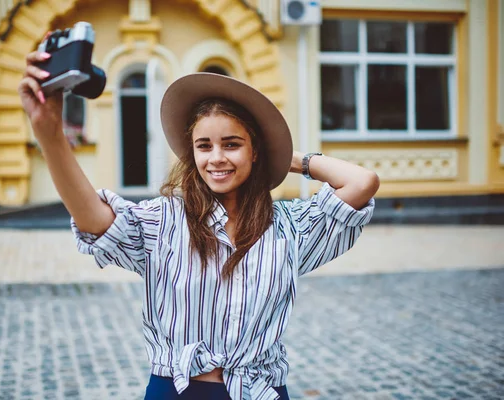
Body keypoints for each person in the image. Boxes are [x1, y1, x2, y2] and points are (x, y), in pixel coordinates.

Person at [19, 50, 380, 400]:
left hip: (259, 391)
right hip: (177, 392)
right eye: (204, 145)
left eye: (232, 144)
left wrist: (289, 158)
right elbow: (94, 220)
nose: (217, 158)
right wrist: (49, 134)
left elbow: (362, 183)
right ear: (192, 153)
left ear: (254, 151)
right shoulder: (164, 221)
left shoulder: (289, 227)